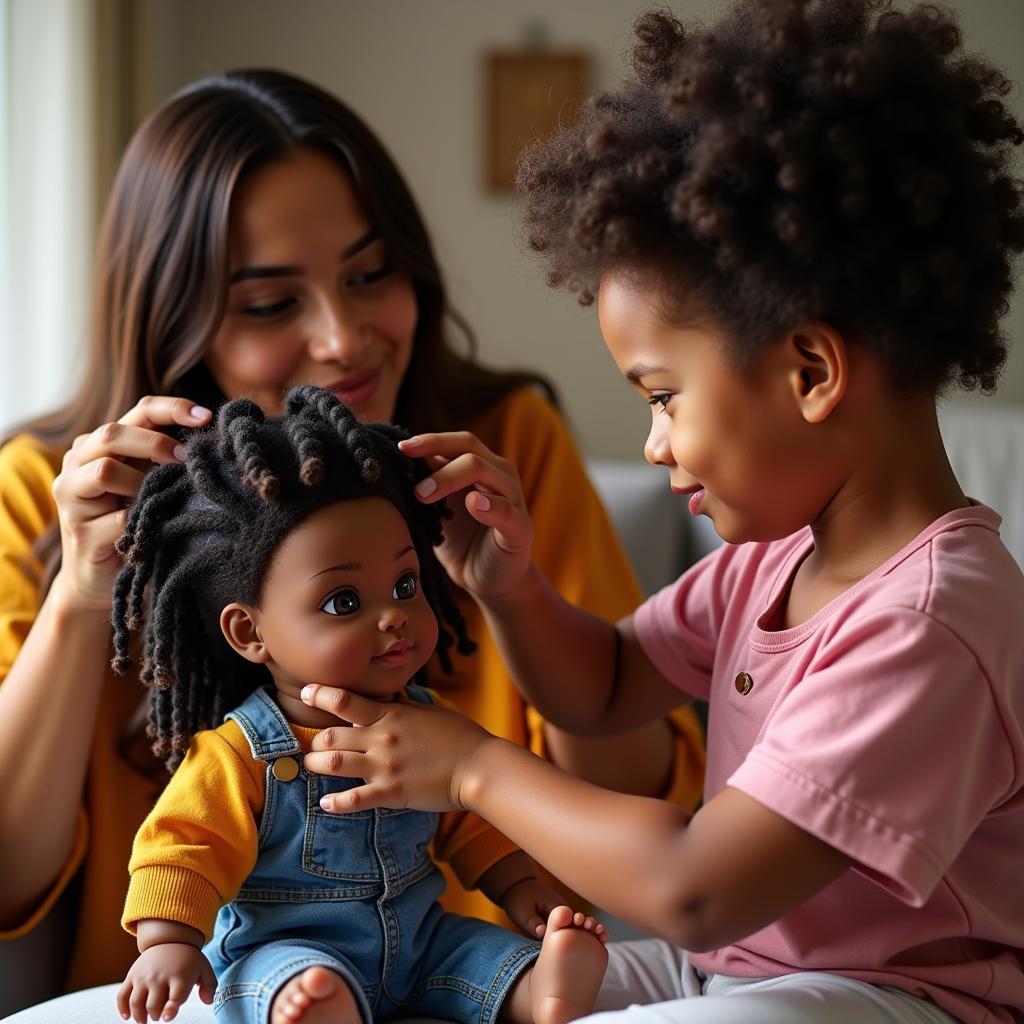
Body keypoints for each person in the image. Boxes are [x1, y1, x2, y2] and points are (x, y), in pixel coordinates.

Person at [294, 3, 1024, 1023]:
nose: (652, 442)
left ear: (809, 369)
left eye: (662, 396)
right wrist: (507, 588)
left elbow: (696, 884)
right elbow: (598, 687)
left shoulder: (931, 620)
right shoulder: (769, 563)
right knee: (446, 996)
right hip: (735, 973)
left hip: (904, 997)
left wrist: (472, 769)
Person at [0, 69, 705, 1013]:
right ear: (175, 319)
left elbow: (654, 809)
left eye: (370, 275)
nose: (345, 338)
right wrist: (86, 592)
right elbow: (7, 877)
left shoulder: (501, 446)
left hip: (454, 977)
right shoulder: (48, 489)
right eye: (268, 304)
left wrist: (510, 592)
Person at [113, 386, 609, 1024]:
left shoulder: (428, 729)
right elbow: (183, 844)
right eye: (344, 602)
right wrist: (168, 941)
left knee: (480, 954)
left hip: (422, 940)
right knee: (277, 980)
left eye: (405, 585)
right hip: (287, 945)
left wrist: (522, 889)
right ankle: (322, 1006)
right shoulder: (240, 755)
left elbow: (474, 819)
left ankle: (541, 992)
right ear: (249, 633)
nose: (395, 619)